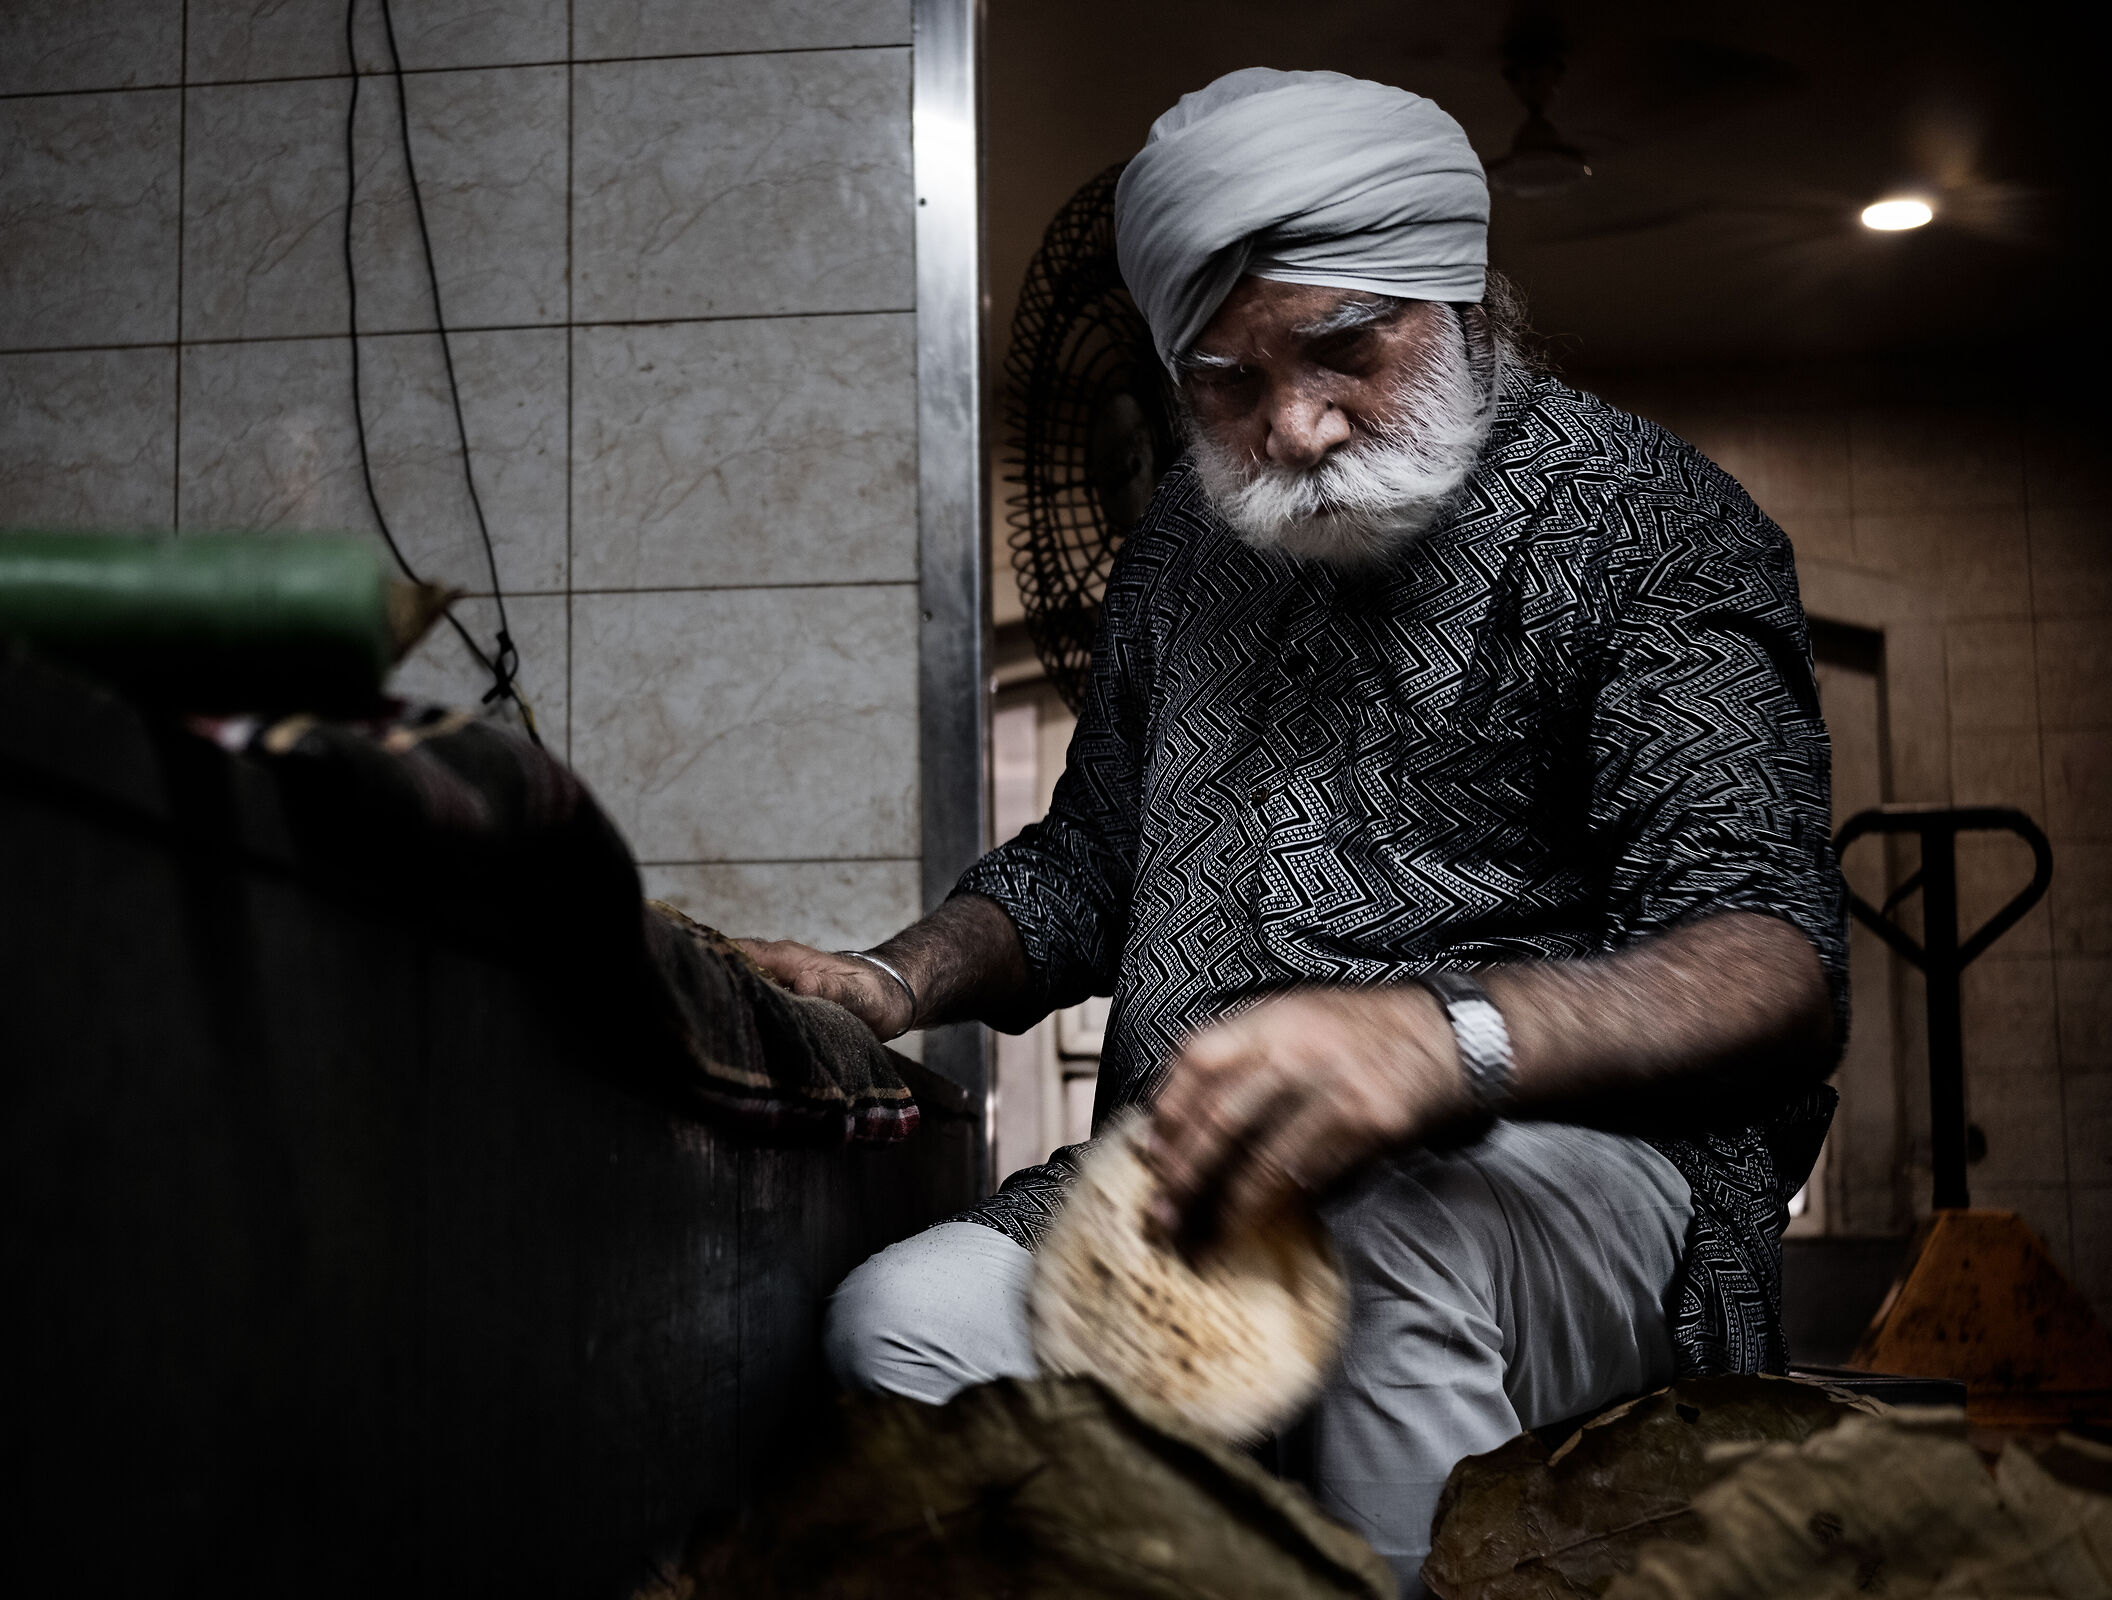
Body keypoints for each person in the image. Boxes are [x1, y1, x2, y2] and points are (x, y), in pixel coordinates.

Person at [739, 67, 1844, 1595]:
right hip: (1202, 1181)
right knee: (904, 1327)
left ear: (1457, 303)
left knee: (1393, 1257)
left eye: (1344, 349)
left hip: (1564, 1168)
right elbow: (1087, 867)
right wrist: (894, 979)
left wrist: (1437, 1043)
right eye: (1225, 381)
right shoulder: (1184, 548)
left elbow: (1766, 954)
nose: (1297, 424)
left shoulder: (1651, 523)